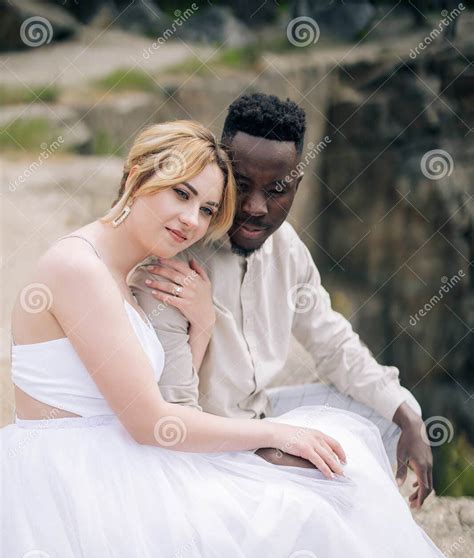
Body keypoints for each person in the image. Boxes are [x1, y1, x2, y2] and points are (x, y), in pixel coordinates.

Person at [1, 120, 472, 558]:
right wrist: (274, 431)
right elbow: (151, 422)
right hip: (80, 477)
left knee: (335, 486)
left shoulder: (131, 271)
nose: (192, 221)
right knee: (304, 515)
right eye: (180, 194)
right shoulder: (80, 268)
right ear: (137, 174)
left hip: (124, 452)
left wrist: (201, 324)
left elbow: (166, 402)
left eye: (204, 208)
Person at [131, 94, 433, 510]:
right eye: (240, 185)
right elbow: (175, 419)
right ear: (219, 176)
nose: (256, 208)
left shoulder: (287, 248)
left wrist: (408, 416)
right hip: (206, 443)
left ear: (296, 185)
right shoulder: (176, 259)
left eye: (276, 189)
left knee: (394, 411)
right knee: (331, 486)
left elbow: (333, 344)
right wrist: (279, 449)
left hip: (263, 412)